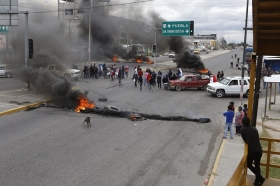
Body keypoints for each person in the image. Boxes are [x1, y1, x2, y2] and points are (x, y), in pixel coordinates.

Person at [240, 117, 265, 186]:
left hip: (252, 151)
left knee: (249, 164)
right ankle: (258, 181)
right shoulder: (254, 129)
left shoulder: (242, 130)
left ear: (243, 123)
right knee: (257, 165)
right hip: (259, 150)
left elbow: (245, 140)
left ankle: (260, 178)